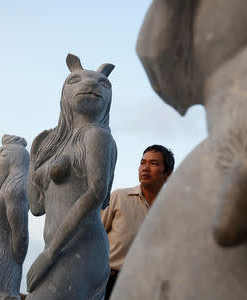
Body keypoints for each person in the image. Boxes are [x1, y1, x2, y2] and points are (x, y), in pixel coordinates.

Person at [26, 53, 117, 299]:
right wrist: (33, 160)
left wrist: (49, 254)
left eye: (102, 83)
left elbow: (97, 194)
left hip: (80, 247)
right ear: (65, 92)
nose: (91, 85)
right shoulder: (58, 144)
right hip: (59, 248)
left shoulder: (97, 136)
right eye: (76, 80)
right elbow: (36, 206)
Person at [101, 144, 174, 299]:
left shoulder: (173, 212)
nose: (145, 168)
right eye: (143, 163)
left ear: (167, 174)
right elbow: (93, 238)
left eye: (153, 164)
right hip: (108, 284)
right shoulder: (119, 198)